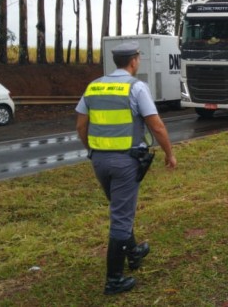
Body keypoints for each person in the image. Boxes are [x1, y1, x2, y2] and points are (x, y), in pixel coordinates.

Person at [75, 41, 178, 295]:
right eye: (138, 59)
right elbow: (156, 126)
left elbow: (80, 127)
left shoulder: (94, 86)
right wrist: (169, 153)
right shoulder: (136, 88)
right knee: (121, 217)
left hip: (99, 161)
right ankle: (114, 280)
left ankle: (133, 252)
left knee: (120, 207)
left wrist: (93, 149)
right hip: (125, 162)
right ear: (133, 61)